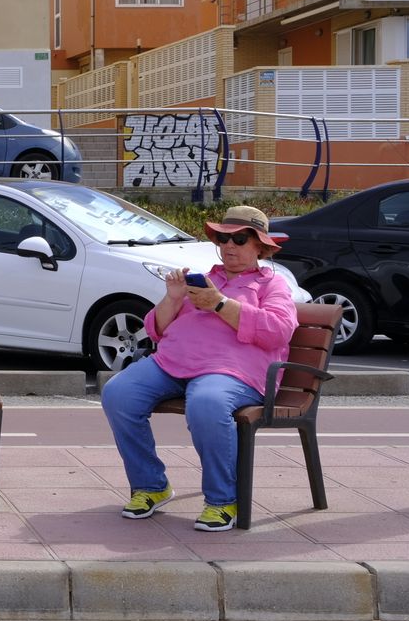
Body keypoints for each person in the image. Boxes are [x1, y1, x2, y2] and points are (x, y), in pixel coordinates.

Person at [100, 204, 298, 532]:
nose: (229, 246)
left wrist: (220, 304)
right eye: (223, 238)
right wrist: (173, 299)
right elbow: (156, 330)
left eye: (240, 239)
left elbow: (277, 330)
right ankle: (150, 485)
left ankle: (223, 500)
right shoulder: (205, 278)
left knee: (207, 403)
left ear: (260, 246)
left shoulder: (271, 285)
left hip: (232, 373)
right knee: (118, 393)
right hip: (173, 364)